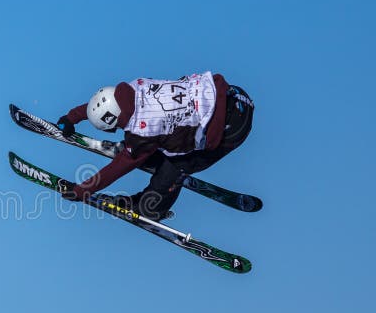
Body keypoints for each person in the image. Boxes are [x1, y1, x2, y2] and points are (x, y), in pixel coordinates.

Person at [57, 72, 254, 220]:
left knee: (176, 166)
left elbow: (117, 168)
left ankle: (151, 208)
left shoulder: (143, 129)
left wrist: (83, 190)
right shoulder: (134, 88)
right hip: (232, 95)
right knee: (162, 139)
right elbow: (104, 104)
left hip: (231, 127)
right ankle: (150, 155)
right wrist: (72, 117)